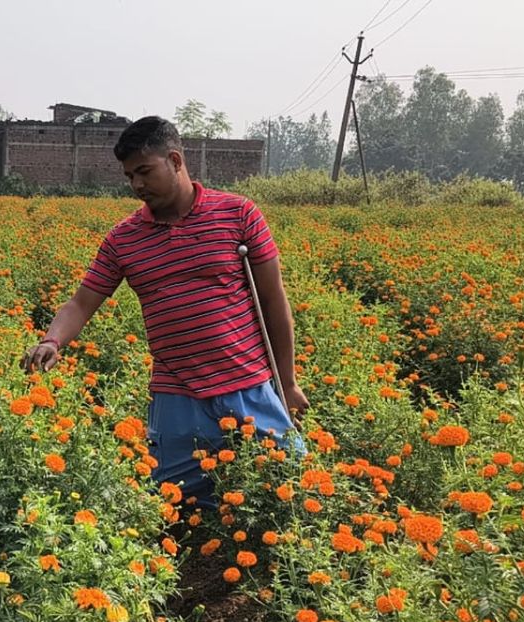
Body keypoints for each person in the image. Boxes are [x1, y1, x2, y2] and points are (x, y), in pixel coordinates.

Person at [21, 117, 309, 508]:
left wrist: (287, 383)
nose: (137, 185)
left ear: (174, 160)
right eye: (129, 176)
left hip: (248, 384)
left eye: (144, 171)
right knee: (172, 506)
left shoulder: (238, 214)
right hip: (177, 394)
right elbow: (81, 302)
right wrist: (52, 340)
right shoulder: (123, 239)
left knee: (287, 490)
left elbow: (274, 301)